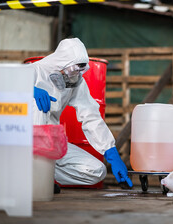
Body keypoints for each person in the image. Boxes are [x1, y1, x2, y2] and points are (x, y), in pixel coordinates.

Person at [32, 38, 133, 188]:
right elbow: (0, 87)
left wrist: (111, 153)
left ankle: (44, 176)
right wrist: (27, 89)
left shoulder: (74, 81)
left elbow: (90, 116)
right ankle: (34, 176)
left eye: (79, 71)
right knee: (38, 104)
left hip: (50, 142)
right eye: (72, 70)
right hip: (24, 143)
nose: (74, 76)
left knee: (96, 171)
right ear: (61, 62)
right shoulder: (34, 71)